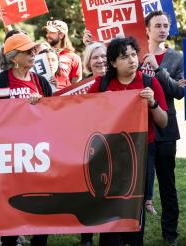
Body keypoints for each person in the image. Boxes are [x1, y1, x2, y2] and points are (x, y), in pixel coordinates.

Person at [88, 37, 168, 246]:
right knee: (110, 208)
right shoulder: (102, 84)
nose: (132, 60)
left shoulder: (150, 83)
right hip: (109, 156)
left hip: (141, 154)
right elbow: (80, 112)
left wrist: (153, 103)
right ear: (113, 62)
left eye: (134, 55)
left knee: (134, 208)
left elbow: (163, 122)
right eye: (125, 57)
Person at [0, 32, 52, 246]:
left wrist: (41, 105)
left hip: (39, 152)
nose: (34, 53)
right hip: (11, 154)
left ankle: (39, 239)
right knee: (11, 200)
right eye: (28, 51)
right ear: (15, 57)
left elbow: (54, 115)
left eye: (34, 50)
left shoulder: (41, 82)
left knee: (41, 198)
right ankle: (9, 239)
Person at [140, 10, 185, 245]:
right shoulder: (134, 54)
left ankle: (170, 235)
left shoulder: (176, 58)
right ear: (147, 29)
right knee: (139, 186)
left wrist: (158, 69)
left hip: (166, 130)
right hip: (138, 129)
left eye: (166, 25)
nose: (163, 29)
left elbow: (178, 92)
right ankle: (134, 234)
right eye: (157, 25)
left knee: (168, 185)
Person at [78, 41, 107, 246]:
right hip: (88, 144)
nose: (100, 60)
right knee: (89, 191)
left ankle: (111, 234)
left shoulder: (115, 81)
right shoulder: (80, 86)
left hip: (111, 142)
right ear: (88, 62)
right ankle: (86, 237)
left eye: (104, 56)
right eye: (95, 57)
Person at [43, 20, 82, 88]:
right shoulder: (42, 54)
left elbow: (75, 86)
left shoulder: (74, 58)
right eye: (47, 32)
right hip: (45, 97)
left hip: (64, 97)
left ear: (61, 35)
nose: (47, 35)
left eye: (51, 32)